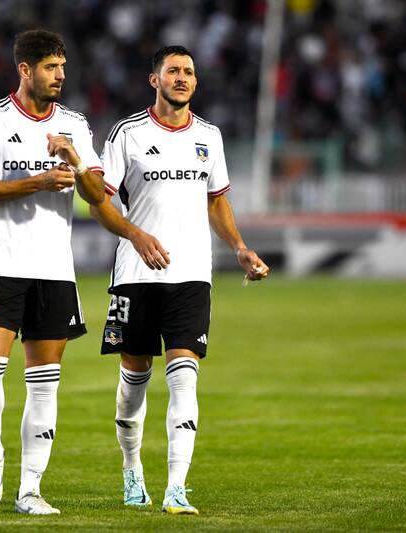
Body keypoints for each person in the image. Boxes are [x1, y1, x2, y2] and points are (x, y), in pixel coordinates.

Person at [90, 46, 270, 515]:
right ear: (155, 79)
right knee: (134, 382)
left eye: (189, 71)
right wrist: (136, 234)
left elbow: (216, 201)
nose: (183, 77)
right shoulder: (127, 134)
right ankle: (132, 473)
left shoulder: (209, 135)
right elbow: (100, 203)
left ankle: (176, 488)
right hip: (135, 274)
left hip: (191, 275)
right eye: (173, 70)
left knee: (185, 378)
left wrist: (239, 247)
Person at [0, 29, 105, 515]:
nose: (61, 76)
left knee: (44, 382)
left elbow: (98, 197)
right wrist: (37, 181)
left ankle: (30, 490)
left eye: (63, 67)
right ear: (25, 70)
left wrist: (76, 161)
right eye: (50, 68)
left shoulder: (75, 124)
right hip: (2, 264)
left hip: (55, 272)